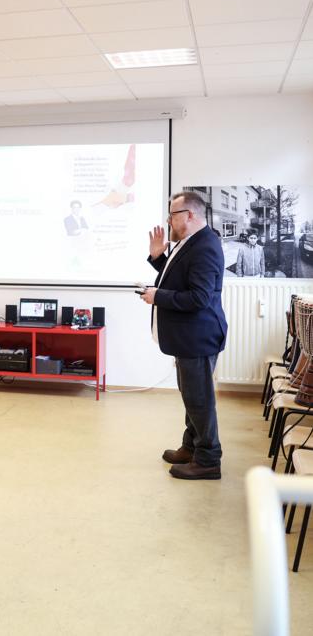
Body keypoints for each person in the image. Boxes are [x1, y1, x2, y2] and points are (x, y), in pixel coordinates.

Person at [140, 191, 228, 480]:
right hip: (190, 337)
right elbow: (178, 277)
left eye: (173, 215)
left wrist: (158, 297)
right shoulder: (192, 242)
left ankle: (208, 459)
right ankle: (191, 447)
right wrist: (157, 257)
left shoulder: (204, 246)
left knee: (199, 399)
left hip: (198, 337)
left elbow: (199, 297)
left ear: (190, 215)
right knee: (192, 396)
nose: (168, 221)